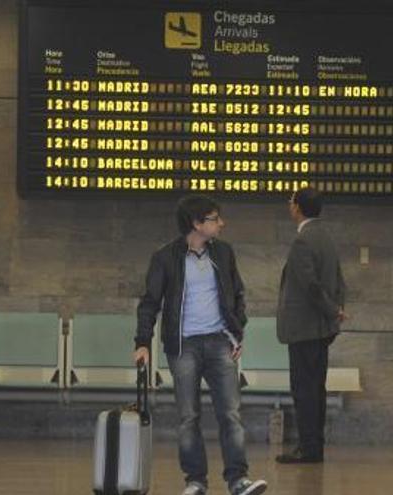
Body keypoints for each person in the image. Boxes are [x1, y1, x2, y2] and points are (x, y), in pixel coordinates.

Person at [133, 195, 267, 495]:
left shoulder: (224, 253)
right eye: (214, 218)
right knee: (188, 416)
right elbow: (150, 303)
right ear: (196, 224)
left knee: (230, 413)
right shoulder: (165, 257)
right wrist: (142, 341)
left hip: (219, 342)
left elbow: (238, 294)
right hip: (183, 347)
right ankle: (195, 481)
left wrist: (237, 332)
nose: (221, 223)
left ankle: (238, 480)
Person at [275, 187, 347, 464]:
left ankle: (308, 449)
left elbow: (310, 287)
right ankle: (314, 446)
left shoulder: (304, 241)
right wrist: (336, 312)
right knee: (316, 387)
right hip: (321, 328)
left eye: (291, 201)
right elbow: (338, 281)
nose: (289, 205)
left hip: (304, 328)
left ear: (298, 208)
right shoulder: (326, 237)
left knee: (304, 389)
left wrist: (332, 310)